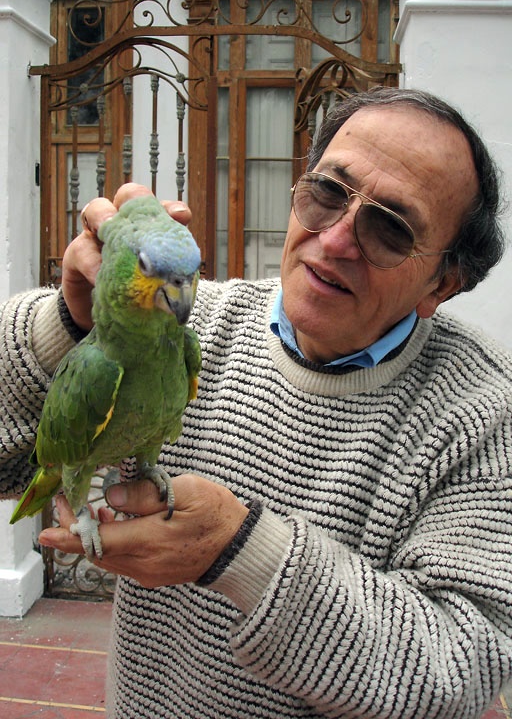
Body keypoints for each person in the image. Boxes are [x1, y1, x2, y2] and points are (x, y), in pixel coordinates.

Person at [1, 87, 512, 718]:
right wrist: (70, 330)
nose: (334, 240)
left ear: (443, 283)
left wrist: (240, 551)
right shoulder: (187, 324)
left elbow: (459, 676)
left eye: (389, 228)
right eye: (327, 193)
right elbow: (14, 469)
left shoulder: (485, 412)